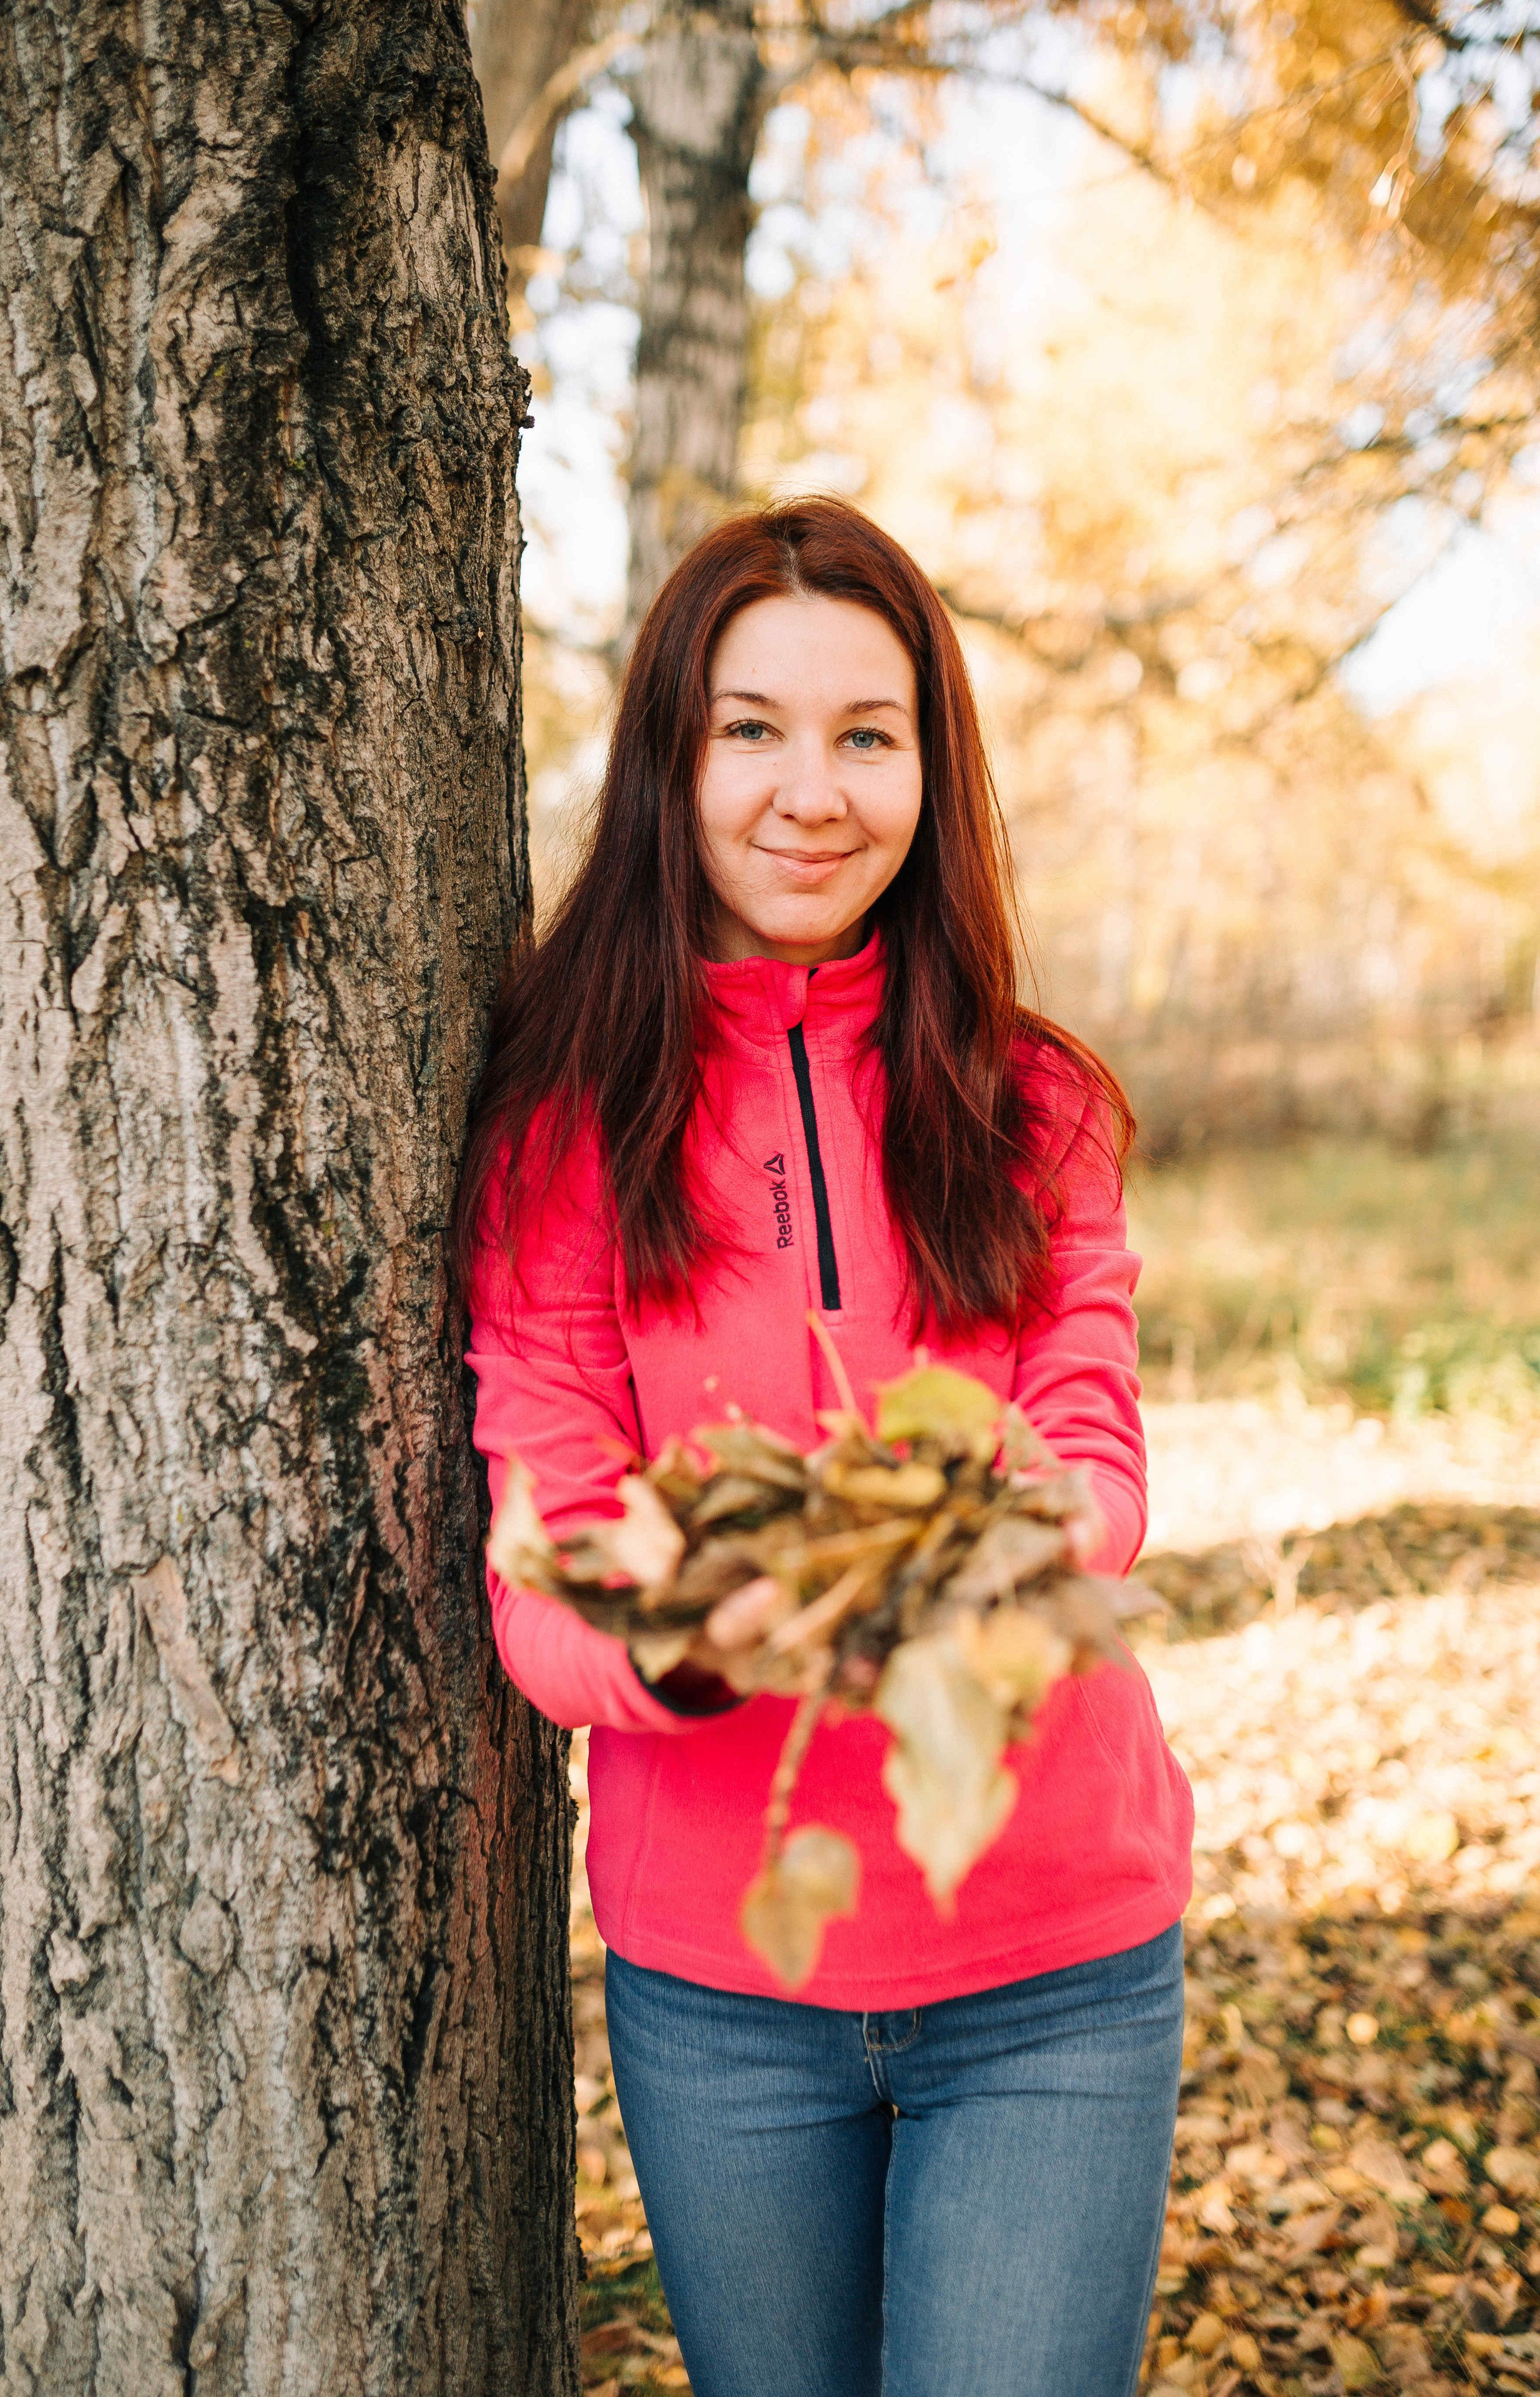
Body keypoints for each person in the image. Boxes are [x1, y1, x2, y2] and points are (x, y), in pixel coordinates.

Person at [457, 498, 1194, 2397]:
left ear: (932, 772)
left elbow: (1087, 1417)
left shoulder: (1037, 1100)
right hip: (726, 2000)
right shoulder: (558, 1132)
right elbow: (548, 1547)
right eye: (751, 728)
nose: (813, 791)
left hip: (1053, 1970)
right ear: (671, 763)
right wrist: (693, 1641)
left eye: (868, 733)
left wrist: (1049, 1526)